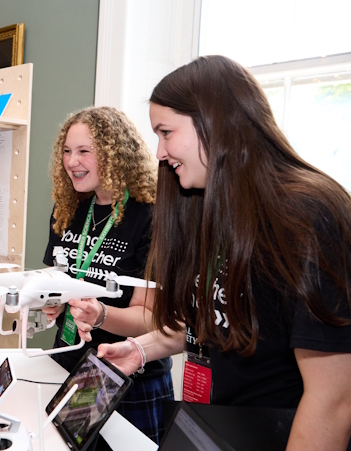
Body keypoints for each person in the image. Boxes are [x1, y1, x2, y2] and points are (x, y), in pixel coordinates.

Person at [98, 55, 351, 449]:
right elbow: (212, 322)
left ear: (213, 120)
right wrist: (139, 349)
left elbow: (333, 398)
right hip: (225, 428)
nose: (160, 152)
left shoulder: (308, 215)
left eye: (166, 132)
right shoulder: (214, 210)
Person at [41, 106, 173, 443]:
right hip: (68, 362)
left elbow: (150, 318)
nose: (72, 161)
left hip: (127, 376)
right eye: (67, 151)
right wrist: (49, 302)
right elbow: (55, 280)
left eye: (85, 151)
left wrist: (100, 314)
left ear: (116, 155)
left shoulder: (151, 216)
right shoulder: (69, 208)